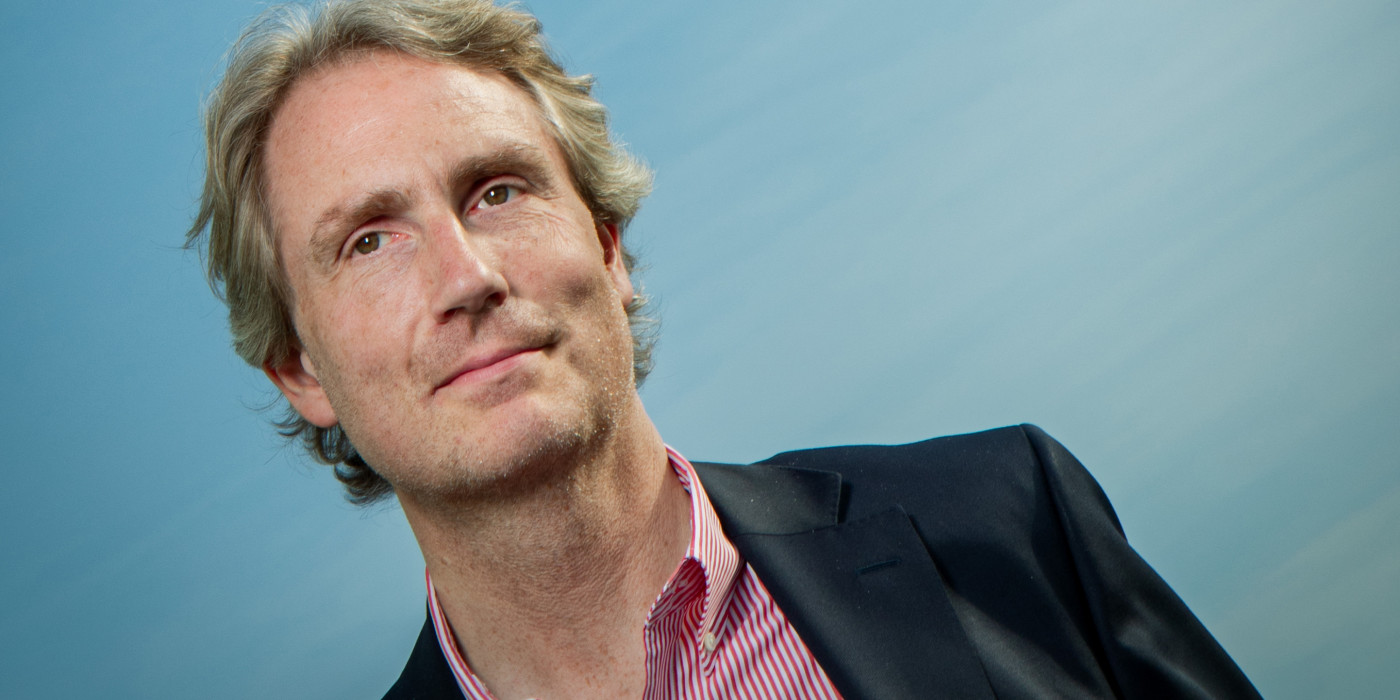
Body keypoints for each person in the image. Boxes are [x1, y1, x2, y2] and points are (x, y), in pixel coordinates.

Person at [188, 1, 1262, 698]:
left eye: (497, 191)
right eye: (369, 241)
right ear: (298, 368)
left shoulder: (1006, 517)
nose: (465, 276)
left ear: (607, 243)